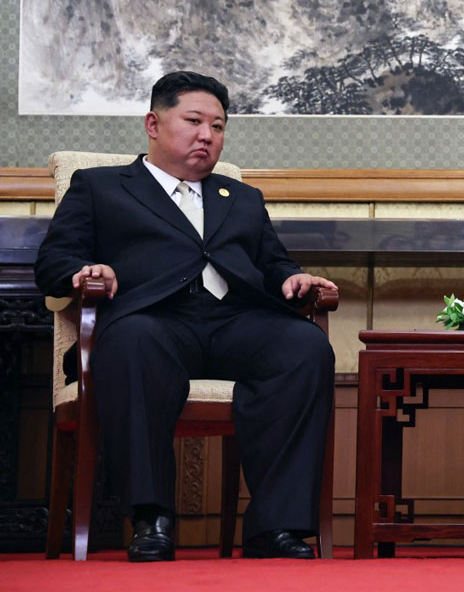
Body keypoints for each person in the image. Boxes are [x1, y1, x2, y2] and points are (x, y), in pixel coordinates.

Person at [35, 71, 338, 562]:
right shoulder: (100, 187)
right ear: (154, 124)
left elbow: (273, 263)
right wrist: (84, 271)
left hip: (234, 321)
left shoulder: (240, 197)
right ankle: (152, 518)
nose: (208, 136)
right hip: (151, 319)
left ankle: (275, 527)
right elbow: (52, 265)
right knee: (133, 340)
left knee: (304, 347)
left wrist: (293, 280)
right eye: (194, 121)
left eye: (218, 127)